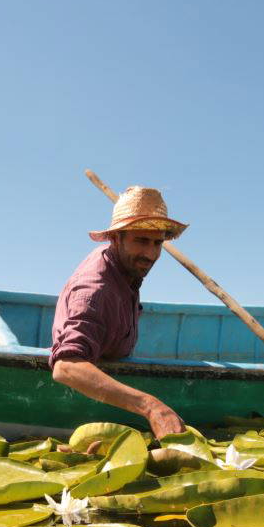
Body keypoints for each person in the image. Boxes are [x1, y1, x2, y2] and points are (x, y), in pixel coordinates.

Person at [50, 186, 188, 437]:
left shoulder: (125, 267)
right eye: (141, 241)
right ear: (116, 238)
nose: (150, 254)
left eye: (158, 243)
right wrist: (152, 407)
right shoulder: (96, 289)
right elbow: (66, 367)